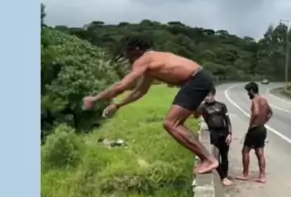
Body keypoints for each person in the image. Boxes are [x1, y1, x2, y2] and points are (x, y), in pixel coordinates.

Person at [82, 37, 218, 175]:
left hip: (195, 80)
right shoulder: (152, 63)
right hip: (198, 79)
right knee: (174, 123)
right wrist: (118, 105)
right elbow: (140, 91)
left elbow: (121, 86)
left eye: (128, 53)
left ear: (136, 50)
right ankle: (206, 157)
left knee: (171, 124)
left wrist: (94, 99)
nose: (127, 58)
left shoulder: (144, 60)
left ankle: (208, 159)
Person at [197, 88, 233, 187]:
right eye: (205, 96)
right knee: (216, 157)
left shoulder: (221, 106)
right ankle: (222, 177)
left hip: (224, 133)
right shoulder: (203, 107)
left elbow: (227, 120)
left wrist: (230, 134)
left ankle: (225, 175)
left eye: (208, 95)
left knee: (225, 156)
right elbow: (195, 115)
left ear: (213, 95)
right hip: (214, 133)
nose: (206, 98)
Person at [238, 82, 273, 183]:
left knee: (245, 151)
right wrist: (264, 121)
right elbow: (270, 113)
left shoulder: (255, 100)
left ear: (252, 91)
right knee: (260, 152)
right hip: (262, 128)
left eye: (248, 92)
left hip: (254, 129)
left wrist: (252, 123)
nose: (248, 94)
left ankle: (245, 174)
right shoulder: (264, 100)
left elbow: (256, 112)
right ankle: (262, 175)